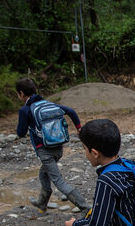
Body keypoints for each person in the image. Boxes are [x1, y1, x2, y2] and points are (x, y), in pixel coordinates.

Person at [15, 78, 89, 213]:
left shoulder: (26, 110)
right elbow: (71, 111)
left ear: (21, 93)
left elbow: (20, 133)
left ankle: (85, 208)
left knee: (59, 181)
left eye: (18, 94)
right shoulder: (50, 104)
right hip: (58, 148)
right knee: (43, 174)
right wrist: (78, 128)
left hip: (45, 151)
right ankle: (42, 204)